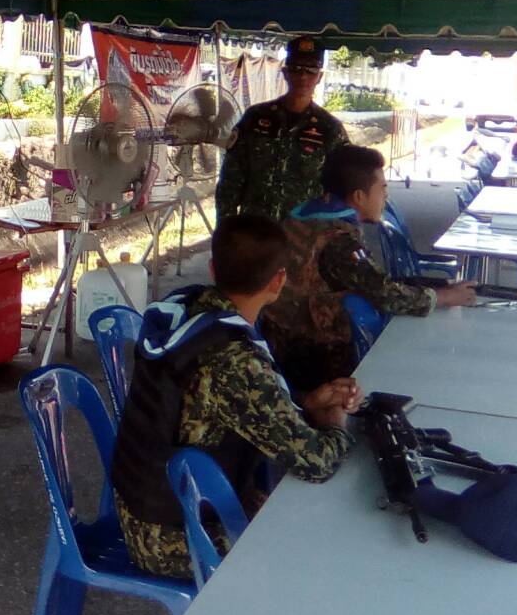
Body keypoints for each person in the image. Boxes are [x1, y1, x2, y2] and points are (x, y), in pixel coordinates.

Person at [110, 214, 362, 579]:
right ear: (278, 281)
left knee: (287, 511)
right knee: (315, 540)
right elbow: (316, 461)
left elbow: (236, 406)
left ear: (213, 269)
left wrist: (305, 404)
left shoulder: (191, 310)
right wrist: (336, 424)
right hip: (172, 535)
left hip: (141, 506)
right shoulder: (233, 359)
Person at [265, 144, 476, 392]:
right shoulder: (337, 241)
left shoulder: (311, 214)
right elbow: (384, 293)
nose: (386, 196)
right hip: (307, 353)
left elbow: (370, 279)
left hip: (282, 335)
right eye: (382, 188)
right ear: (358, 196)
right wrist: (443, 297)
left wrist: (438, 286)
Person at [215, 34, 349, 222]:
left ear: (319, 76)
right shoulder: (255, 118)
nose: (303, 76)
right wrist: (226, 227)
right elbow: (231, 178)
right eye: (296, 68)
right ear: (285, 72)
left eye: (311, 70)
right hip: (255, 229)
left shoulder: (330, 129)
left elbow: (343, 186)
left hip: (303, 233)